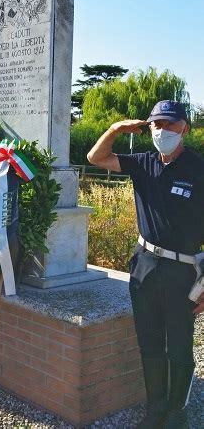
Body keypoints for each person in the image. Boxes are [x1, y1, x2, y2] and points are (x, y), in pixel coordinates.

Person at [87, 100, 204, 428]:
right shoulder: (143, 162)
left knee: (179, 344)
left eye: (169, 124)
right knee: (150, 342)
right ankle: (155, 410)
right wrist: (114, 130)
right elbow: (95, 158)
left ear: (185, 128)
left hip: (183, 272)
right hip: (145, 266)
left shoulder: (199, 169)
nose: (162, 131)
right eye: (156, 125)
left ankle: (177, 413)